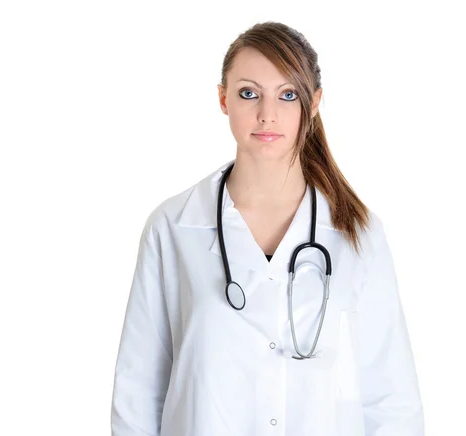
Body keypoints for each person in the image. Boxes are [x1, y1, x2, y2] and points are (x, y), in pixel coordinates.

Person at [110, 21, 424, 436]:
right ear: (223, 99)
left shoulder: (357, 233)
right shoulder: (172, 227)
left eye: (287, 95)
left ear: (313, 104)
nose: (267, 114)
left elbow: (391, 399)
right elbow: (137, 393)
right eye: (248, 93)